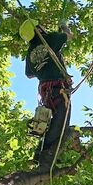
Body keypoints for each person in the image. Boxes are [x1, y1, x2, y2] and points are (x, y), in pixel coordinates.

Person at [25, 23, 72, 171]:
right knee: (61, 122)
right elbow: (68, 36)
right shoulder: (48, 39)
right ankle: (46, 155)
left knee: (51, 122)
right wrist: (64, 29)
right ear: (38, 30)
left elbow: (29, 74)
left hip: (45, 91)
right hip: (58, 88)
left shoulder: (29, 52)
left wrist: (45, 63)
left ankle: (40, 153)